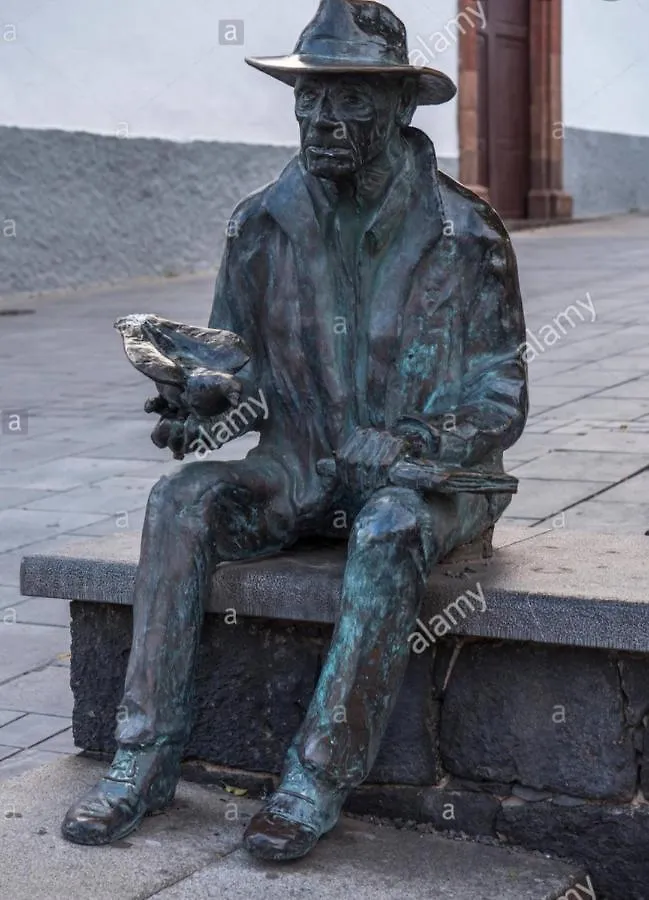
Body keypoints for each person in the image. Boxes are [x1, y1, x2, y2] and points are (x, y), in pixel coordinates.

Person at [62, 0, 528, 862]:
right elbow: (240, 371)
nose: (324, 118)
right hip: (300, 468)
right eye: (311, 98)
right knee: (180, 501)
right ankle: (142, 757)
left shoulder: (465, 235)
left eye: (351, 100)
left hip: (432, 484)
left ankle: (314, 779)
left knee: (388, 525)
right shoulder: (258, 224)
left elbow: (501, 389)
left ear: (399, 107)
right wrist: (199, 404)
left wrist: (423, 441)